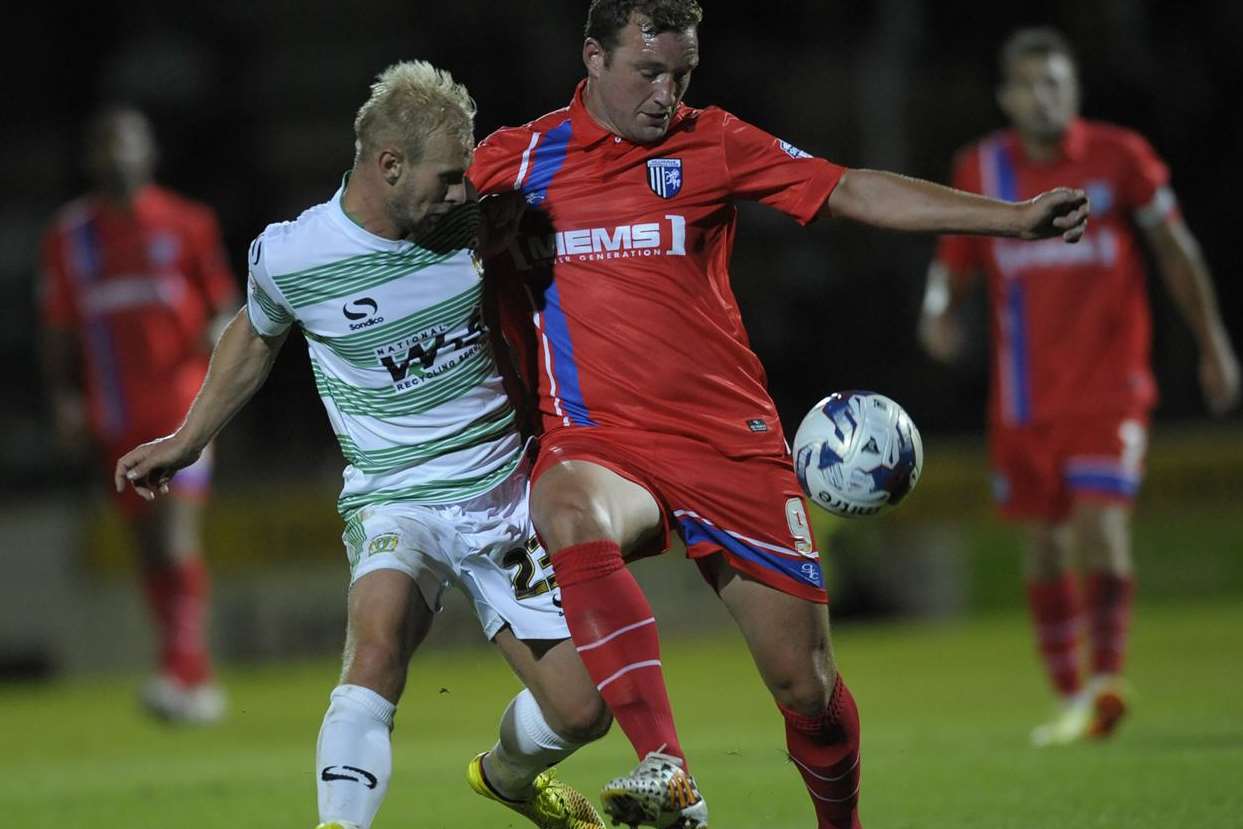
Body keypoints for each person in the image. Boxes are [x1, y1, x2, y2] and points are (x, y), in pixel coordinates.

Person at [468, 2, 1090, 826]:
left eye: (681, 74)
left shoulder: (714, 140)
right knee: (566, 506)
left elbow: (851, 189)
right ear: (592, 56)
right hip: (599, 437)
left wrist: (1008, 219)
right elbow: (401, 223)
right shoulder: (517, 158)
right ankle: (667, 765)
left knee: (809, 690)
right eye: (649, 72)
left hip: (731, 444)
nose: (667, 94)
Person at [114, 61, 611, 829]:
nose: (461, 191)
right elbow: (254, 333)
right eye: (448, 177)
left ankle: (507, 775)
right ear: (388, 165)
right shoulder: (293, 254)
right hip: (393, 494)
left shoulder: (481, 231)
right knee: (376, 647)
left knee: (583, 711)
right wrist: (188, 437)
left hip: (502, 499)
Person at [918, 27, 1240, 747]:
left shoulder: (1118, 157)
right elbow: (952, 259)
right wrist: (936, 311)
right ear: (1005, 96)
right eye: (1029, 85)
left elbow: (1175, 248)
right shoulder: (981, 167)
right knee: (1042, 546)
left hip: (1110, 385)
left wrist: (1213, 342)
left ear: (1075, 91)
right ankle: (1070, 696)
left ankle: (1104, 682)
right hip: (1025, 397)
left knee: (1101, 529)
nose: (1044, 98)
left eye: (1056, 83)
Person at [39, 106, 238, 723]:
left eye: (125, 144)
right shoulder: (70, 237)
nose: (116, 156)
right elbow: (59, 329)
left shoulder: (187, 224)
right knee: (149, 549)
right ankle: (196, 680)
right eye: (104, 145)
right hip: (114, 418)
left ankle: (175, 673)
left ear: (147, 153)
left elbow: (224, 305)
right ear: (91, 157)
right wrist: (67, 399)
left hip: (183, 413)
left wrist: (216, 334)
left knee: (176, 537)